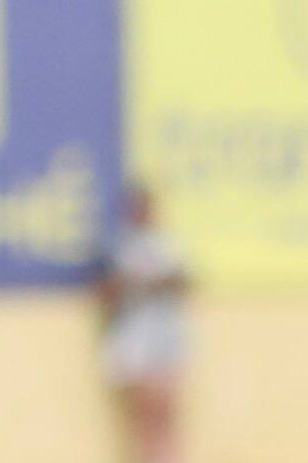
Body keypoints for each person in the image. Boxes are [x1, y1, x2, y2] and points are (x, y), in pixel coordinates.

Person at [97, 175, 191, 463]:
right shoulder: (120, 247)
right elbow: (107, 291)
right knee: (142, 418)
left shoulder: (168, 245)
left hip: (165, 340)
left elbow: (182, 283)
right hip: (134, 340)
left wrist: (149, 284)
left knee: (167, 414)